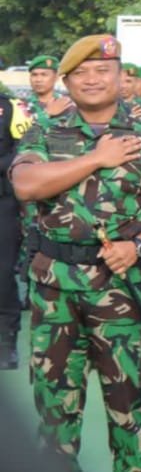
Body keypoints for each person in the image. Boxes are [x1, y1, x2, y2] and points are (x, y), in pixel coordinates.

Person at [9, 34, 141, 470]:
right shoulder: (46, 129)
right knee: (54, 408)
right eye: (81, 73)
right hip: (54, 288)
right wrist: (96, 158)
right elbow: (26, 184)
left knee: (129, 406)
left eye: (103, 71)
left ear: (120, 77)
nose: (92, 80)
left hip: (120, 290)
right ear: (67, 81)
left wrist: (140, 246)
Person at [0, 88, 33, 369]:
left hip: (3, 202)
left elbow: (25, 151)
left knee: (2, 272)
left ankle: (7, 341)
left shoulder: (13, 109)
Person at [26, 55, 74, 122]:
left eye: (44, 75)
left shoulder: (67, 104)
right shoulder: (21, 105)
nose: (38, 80)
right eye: (34, 75)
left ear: (56, 77)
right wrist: (46, 114)